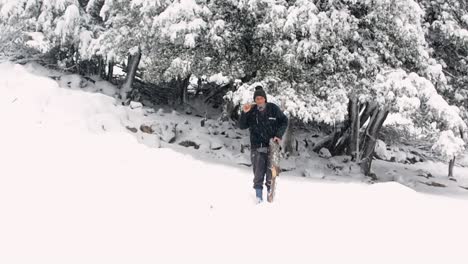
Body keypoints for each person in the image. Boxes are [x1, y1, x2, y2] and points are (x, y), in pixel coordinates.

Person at [239, 85, 288, 203]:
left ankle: (271, 198)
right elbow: (242, 126)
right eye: (257, 99)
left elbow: (284, 121)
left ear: (265, 99)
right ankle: (258, 199)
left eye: (261, 98)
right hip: (257, 148)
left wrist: (278, 135)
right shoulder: (251, 110)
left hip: (272, 147)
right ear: (255, 100)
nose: (259, 101)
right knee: (258, 175)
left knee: (272, 174)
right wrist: (244, 113)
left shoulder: (273, 108)